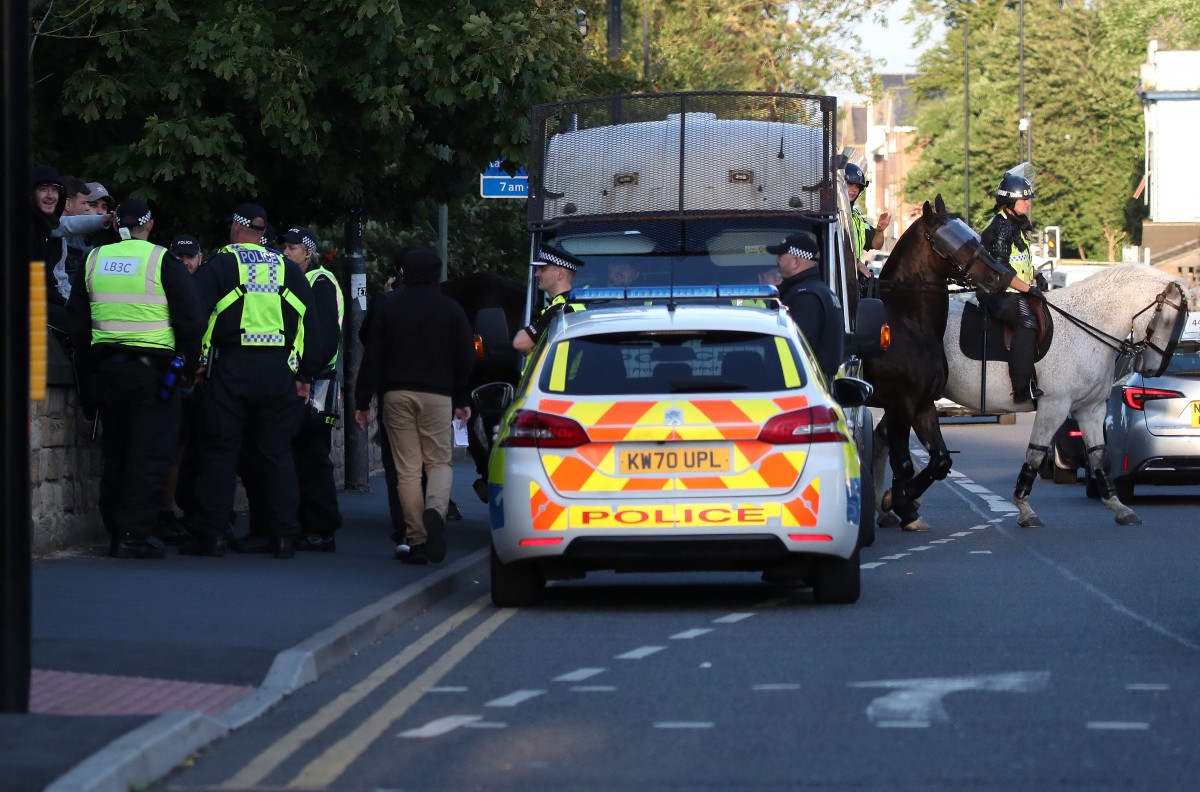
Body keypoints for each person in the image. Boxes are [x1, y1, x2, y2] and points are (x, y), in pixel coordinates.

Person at [181, 203, 321, 559]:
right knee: (276, 453)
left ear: (236, 229)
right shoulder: (289, 269)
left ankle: (211, 535)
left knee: (220, 451)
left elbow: (195, 314)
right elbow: (312, 324)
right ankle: (282, 536)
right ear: (263, 234)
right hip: (277, 373)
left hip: (231, 368)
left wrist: (194, 362)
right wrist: (305, 374)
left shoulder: (222, 264)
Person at [65, 199, 203, 558]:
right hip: (154, 375)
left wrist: (87, 377)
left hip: (108, 368)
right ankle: (133, 534)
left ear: (115, 225)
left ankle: (115, 527)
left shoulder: (93, 260)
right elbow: (191, 320)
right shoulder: (162, 260)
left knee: (117, 452)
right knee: (150, 455)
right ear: (150, 224)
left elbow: (76, 325)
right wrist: (186, 367)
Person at [354, 247, 473, 565]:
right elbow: (465, 359)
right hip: (437, 396)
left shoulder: (390, 308)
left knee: (406, 469)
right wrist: (462, 399)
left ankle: (417, 538)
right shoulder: (451, 311)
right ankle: (435, 511)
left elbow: (372, 358)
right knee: (438, 463)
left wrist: (362, 401)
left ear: (406, 273)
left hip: (396, 395)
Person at [281, 225, 345, 551]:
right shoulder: (296, 279)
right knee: (299, 454)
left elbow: (325, 338)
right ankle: (305, 524)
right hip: (305, 378)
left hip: (316, 380)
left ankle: (321, 528)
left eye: (293, 248)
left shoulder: (319, 281)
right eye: (284, 247)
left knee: (313, 455)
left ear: (309, 252)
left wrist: (306, 375)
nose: (286, 253)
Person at [978, 171, 1045, 404]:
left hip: (1015, 290)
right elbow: (1001, 272)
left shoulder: (1015, 225)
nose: (1028, 203)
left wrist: (1037, 275)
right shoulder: (1000, 228)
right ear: (1009, 202)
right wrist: (1028, 289)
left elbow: (1019, 261)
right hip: (997, 294)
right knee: (1026, 321)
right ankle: (1022, 388)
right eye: (1024, 199)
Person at [768, 231, 843, 380]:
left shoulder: (805, 296)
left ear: (796, 261)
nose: (777, 261)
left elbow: (798, 351)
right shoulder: (821, 292)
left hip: (799, 389)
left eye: (781, 256)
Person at [512, 245, 586, 354]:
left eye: (543, 269)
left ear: (560, 274)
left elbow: (520, 342)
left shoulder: (561, 309)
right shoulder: (571, 305)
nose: (537, 274)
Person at [845, 163, 889, 292]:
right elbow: (834, 248)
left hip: (852, 280)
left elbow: (876, 244)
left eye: (857, 187)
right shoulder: (832, 213)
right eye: (849, 184)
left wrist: (880, 231)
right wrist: (857, 264)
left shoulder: (856, 217)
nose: (854, 190)